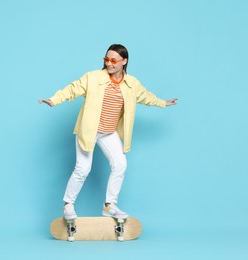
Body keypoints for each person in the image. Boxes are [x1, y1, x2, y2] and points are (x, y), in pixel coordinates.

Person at [39, 44, 177, 220]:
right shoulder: (93, 77)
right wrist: (54, 99)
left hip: (109, 132)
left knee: (120, 165)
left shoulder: (131, 84)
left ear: (124, 61)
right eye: (106, 59)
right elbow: (73, 89)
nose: (109, 63)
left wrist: (163, 102)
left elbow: (145, 96)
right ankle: (68, 205)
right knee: (83, 168)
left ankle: (109, 206)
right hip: (89, 130)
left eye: (113, 60)